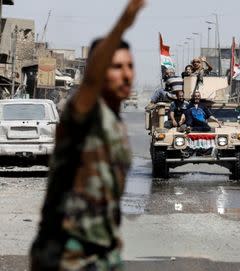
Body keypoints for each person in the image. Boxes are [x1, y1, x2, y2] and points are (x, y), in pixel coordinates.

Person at [30, 1, 145, 270]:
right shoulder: (82, 113)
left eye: (130, 66)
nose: (126, 75)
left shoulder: (116, 122)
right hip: (67, 252)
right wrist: (125, 21)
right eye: (116, 67)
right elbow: (91, 80)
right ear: (99, 72)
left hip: (103, 251)